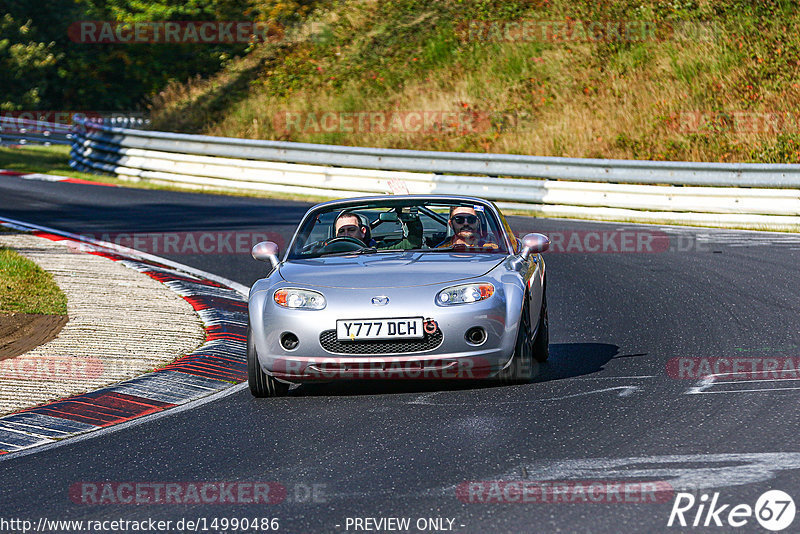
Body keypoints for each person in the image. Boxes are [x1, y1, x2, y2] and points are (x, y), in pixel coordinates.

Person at [333, 210, 422, 250]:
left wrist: (406, 208)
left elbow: (412, 244)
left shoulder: (377, 249)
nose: (346, 234)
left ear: (363, 232)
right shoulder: (325, 253)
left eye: (351, 230)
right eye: (341, 231)